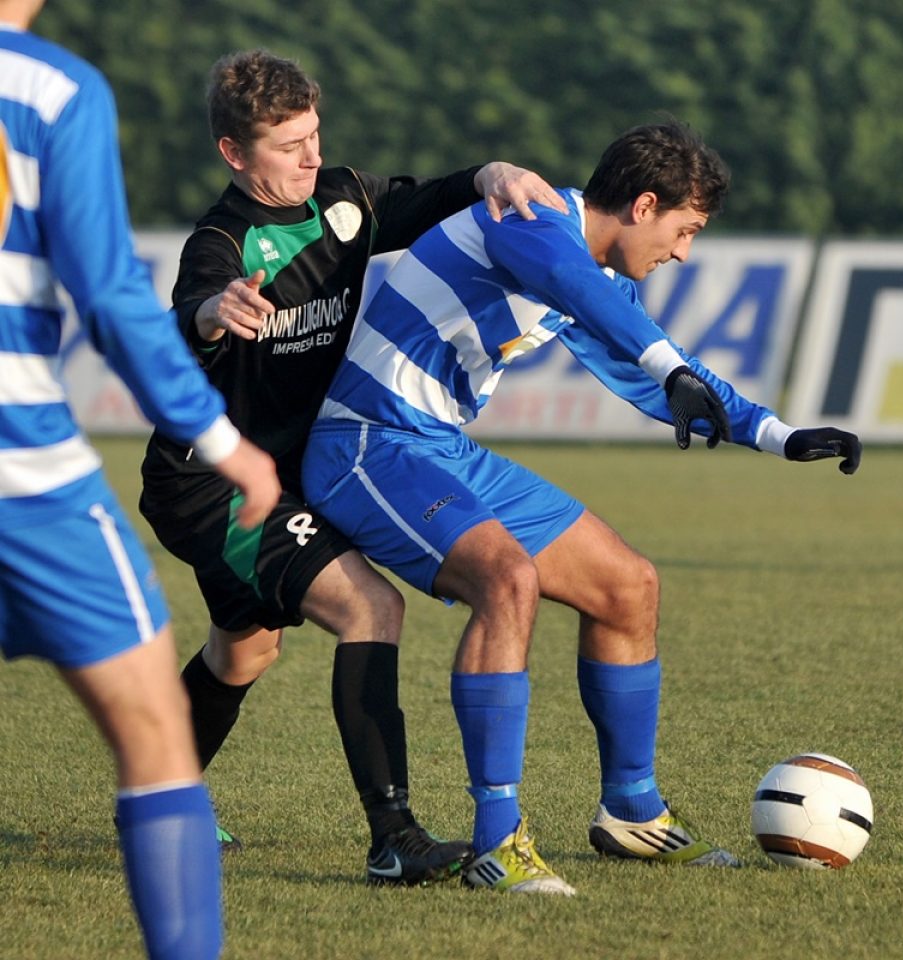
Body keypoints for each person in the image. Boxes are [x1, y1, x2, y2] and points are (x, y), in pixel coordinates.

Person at [301, 120, 863, 895]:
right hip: (365, 443)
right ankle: (498, 843)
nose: (683, 252)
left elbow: (655, 371)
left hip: (437, 446)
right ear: (643, 205)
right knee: (507, 581)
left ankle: (631, 811)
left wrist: (782, 434)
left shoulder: (594, 280)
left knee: (628, 585)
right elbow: (580, 293)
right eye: (684, 230)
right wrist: (668, 368)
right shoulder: (528, 219)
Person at [136, 48, 566, 885]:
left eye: (314, 135)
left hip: (278, 477)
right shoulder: (222, 240)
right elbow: (193, 303)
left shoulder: (342, 198)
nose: (308, 156)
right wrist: (215, 311)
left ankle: (158, 805)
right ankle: (393, 839)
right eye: (286, 144)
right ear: (234, 154)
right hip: (210, 482)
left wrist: (492, 172)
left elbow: (428, 199)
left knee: (242, 653)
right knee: (371, 608)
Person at [0, 3, 282, 957]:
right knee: (160, 745)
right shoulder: (49, 88)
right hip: (24, 481)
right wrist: (223, 439)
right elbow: (113, 298)